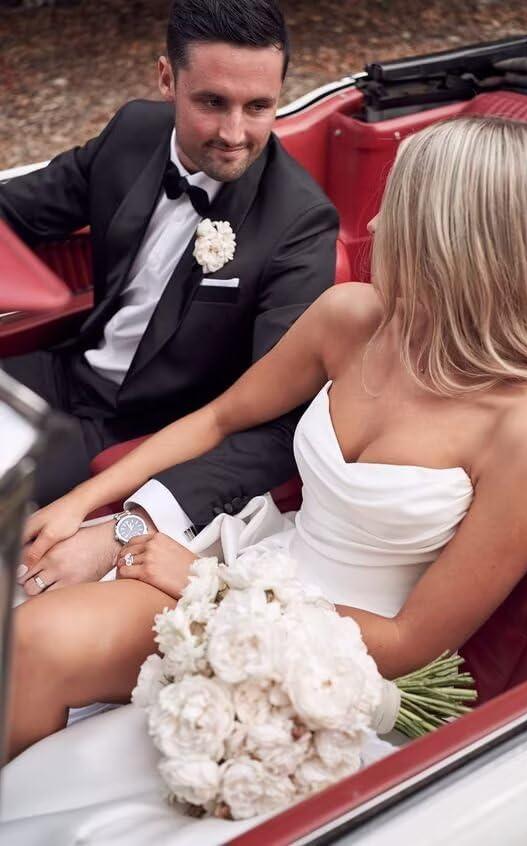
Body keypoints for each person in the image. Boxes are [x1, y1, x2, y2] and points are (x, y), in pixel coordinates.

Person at [3, 115, 527, 843]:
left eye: (397, 207)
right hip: (255, 565)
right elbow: (220, 418)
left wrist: (208, 586)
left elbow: (408, 642)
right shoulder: (353, 317)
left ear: (452, 242)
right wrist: (84, 503)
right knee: (30, 638)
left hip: (337, 661)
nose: (375, 222)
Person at [0, 0, 339, 594]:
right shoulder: (134, 131)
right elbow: (17, 209)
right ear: (166, 79)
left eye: (258, 107)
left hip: (144, 434)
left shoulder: (300, 224)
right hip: (64, 370)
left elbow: (283, 425)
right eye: (212, 102)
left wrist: (132, 523)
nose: (234, 134)